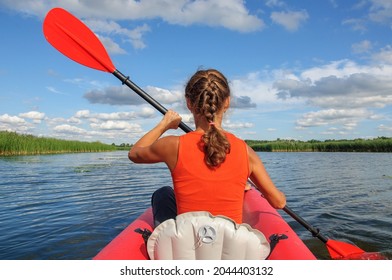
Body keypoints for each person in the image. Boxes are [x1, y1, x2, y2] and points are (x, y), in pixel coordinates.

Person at [129, 69, 286, 228]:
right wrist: (241, 184)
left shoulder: (172, 145)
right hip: (229, 246)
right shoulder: (245, 150)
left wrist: (164, 125)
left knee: (163, 194)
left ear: (189, 103)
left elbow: (134, 153)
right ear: (227, 102)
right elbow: (278, 202)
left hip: (186, 244)